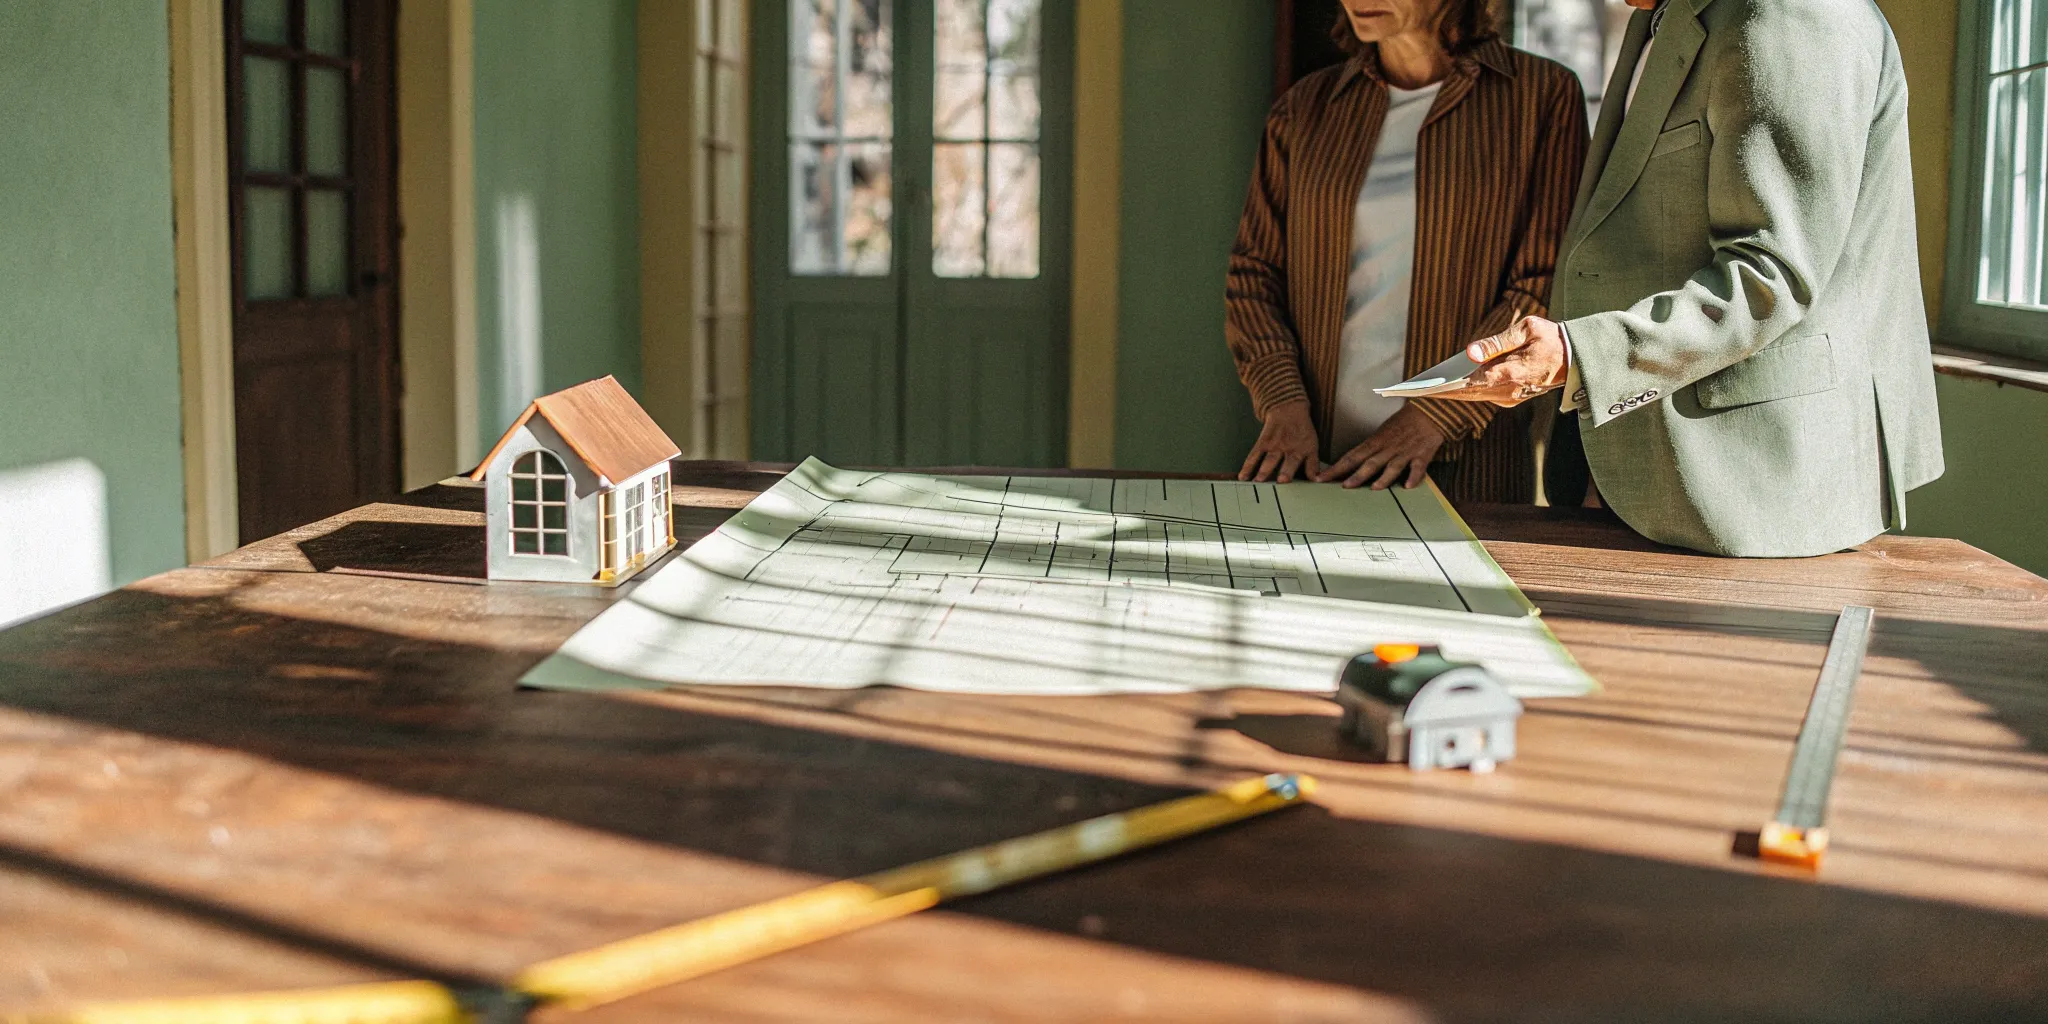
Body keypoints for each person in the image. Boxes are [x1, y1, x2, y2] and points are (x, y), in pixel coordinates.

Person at [1441, 0, 1943, 557]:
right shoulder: (1657, 15)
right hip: (1631, 469)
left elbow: (1770, 275)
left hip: (1748, 482)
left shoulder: (1791, 14)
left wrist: (1580, 356)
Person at [1226, 0, 1588, 502]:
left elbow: (1545, 278)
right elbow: (1254, 274)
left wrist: (1433, 415)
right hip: (1314, 459)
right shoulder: (1306, 107)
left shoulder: (1542, 96)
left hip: (1466, 463)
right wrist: (1284, 404)